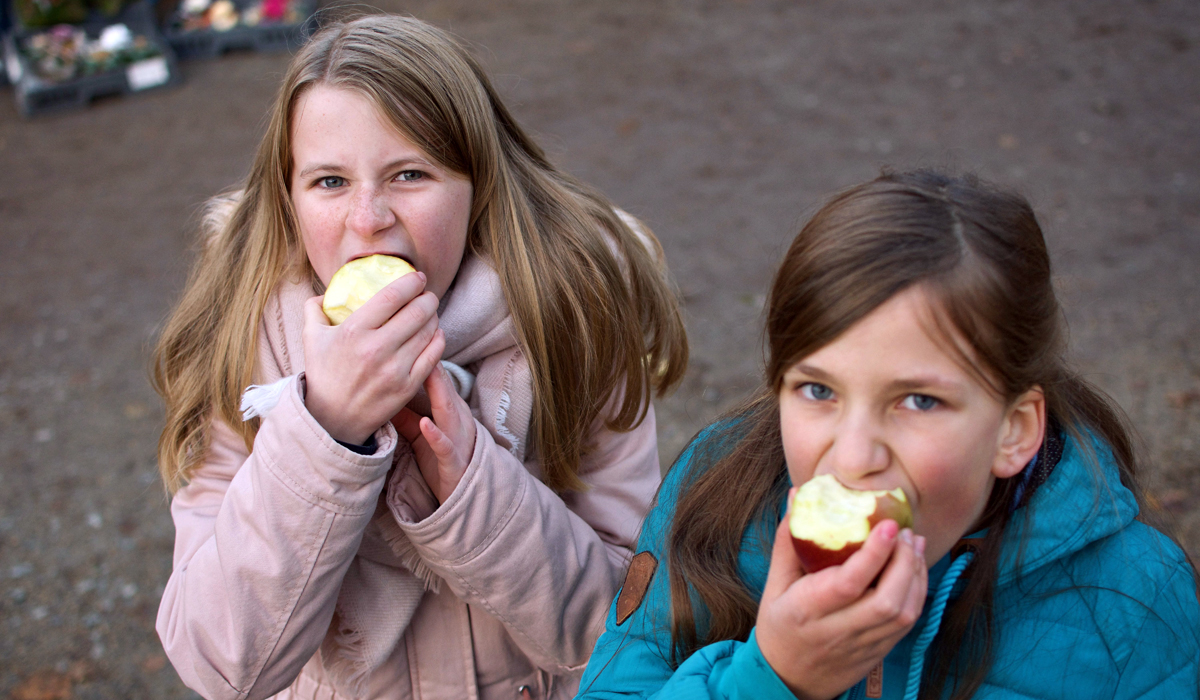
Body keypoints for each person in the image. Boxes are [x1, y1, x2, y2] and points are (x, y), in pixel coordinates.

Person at [152, 14, 687, 700]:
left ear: (479, 185)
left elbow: (628, 625)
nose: (368, 218)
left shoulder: (574, 312)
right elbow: (220, 665)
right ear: (288, 198)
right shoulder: (242, 338)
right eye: (328, 181)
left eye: (409, 173)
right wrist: (321, 435)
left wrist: (474, 487)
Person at [576, 170, 1199, 700]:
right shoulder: (714, 500)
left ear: (1014, 430)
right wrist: (774, 678)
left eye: (918, 401)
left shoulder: (1134, 602)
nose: (852, 459)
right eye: (818, 391)